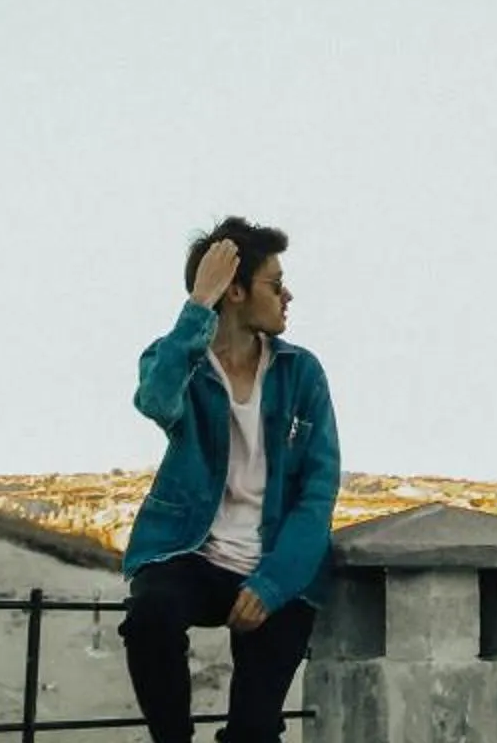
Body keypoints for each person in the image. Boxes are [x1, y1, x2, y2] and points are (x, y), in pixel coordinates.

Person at [120, 217, 340, 743]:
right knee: (150, 617)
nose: (288, 295)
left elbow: (319, 489)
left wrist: (272, 584)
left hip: (275, 569)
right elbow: (156, 398)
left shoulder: (301, 372)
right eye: (274, 283)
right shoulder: (179, 360)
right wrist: (198, 306)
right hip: (191, 555)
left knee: (256, 732)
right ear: (235, 292)